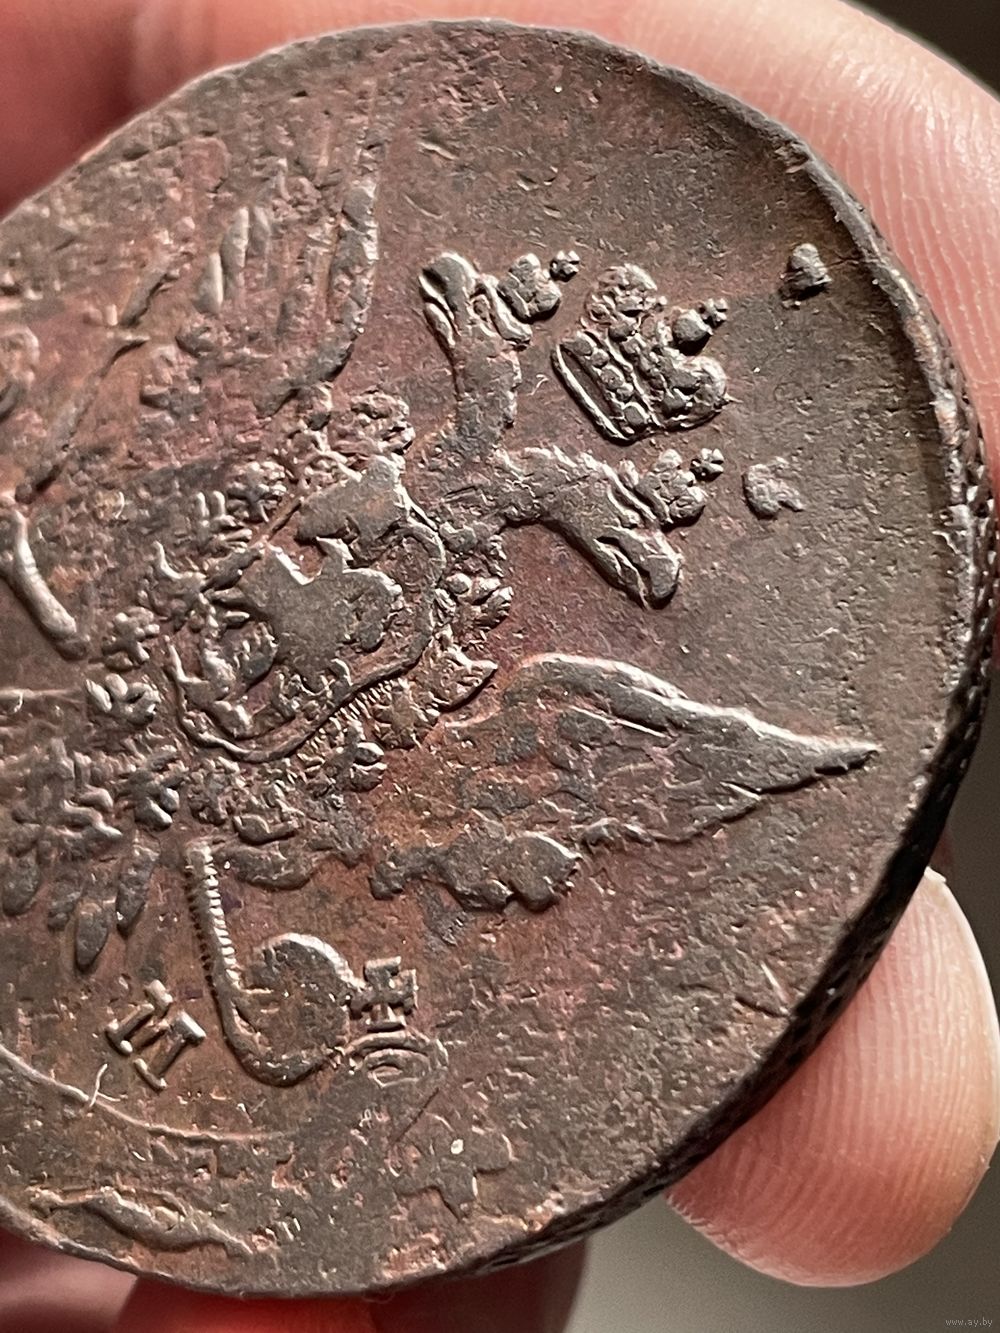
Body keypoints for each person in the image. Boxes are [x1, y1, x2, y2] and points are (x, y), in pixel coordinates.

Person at [1, 2, 997, 1329]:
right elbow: (453, 482)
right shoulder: (295, 502)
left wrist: (552, 475)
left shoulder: (399, 598)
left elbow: (468, 490)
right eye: (306, 551)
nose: (295, 581)